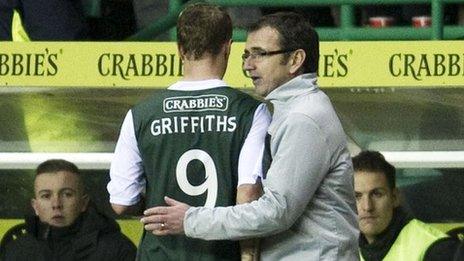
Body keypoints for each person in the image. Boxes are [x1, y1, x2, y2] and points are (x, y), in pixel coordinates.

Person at [141, 11, 360, 260]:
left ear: (295, 59)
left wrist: (191, 220)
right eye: (246, 54)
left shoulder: (303, 118)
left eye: (260, 54)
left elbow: (277, 211)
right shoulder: (289, 110)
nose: (247, 65)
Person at [107, 3, 270, 260]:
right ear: (228, 47)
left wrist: (153, 205)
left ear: (180, 50)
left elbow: (120, 202)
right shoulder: (251, 112)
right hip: (218, 254)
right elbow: (247, 195)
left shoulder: (140, 115)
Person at [1, 159, 136, 261]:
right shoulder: (16, 251)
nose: (56, 204)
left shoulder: (117, 250)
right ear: (35, 206)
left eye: (67, 194)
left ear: (83, 203)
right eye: (46, 196)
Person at [352, 150, 457, 261]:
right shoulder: (345, 248)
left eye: (377, 194)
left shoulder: (437, 250)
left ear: (395, 197)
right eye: (357, 196)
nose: (367, 207)